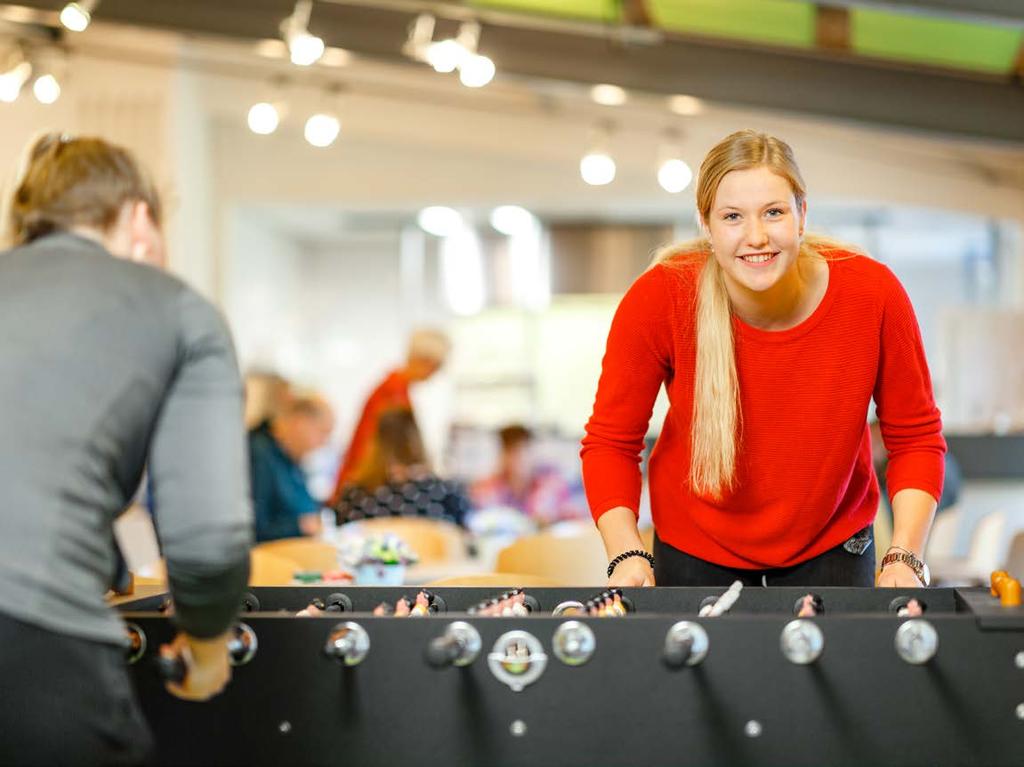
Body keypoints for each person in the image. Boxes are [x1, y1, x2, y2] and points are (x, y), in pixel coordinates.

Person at [582, 129, 945, 589]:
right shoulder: (661, 298)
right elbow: (611, 442)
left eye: (773, 212)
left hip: (834, 546)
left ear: (801, 215)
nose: (756, 237)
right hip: (695, 552)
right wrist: (625, 552)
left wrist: (905, 557)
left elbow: (916, 438)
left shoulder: (873, 295)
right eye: (732, 216)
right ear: (707, 225)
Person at [0, 133, 252, 765]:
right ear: (140, 219)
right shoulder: (175, 309)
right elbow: (208, 535)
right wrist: (207, 647)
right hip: (29, 636)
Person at [329, 327, 450, 504]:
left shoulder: (397, 389)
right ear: (424, 361)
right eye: (436, 367)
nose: (435, 374)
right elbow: (375, 452)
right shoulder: (393, 396)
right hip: (372, 490)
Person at [334, 408, 470, 527]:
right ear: (417, 439)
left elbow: (342, 535)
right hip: (426, 556)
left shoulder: (353, 496)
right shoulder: (445, 492)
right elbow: (463, 534)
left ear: (373, 444)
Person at [250, 394, 335, 542]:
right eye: (323, 433)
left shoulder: (291, 458)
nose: (323, 443)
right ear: (300, 423)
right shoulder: (260, 455)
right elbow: (257, 528)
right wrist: (301, 526)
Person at [470, 424, 586, 525]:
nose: (518, 459)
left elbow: (571, 517)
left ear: (532, 451)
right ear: (502, 454)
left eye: (523, 451)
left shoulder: (550, 484)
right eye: (512, 452)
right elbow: (482, 519)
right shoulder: (488, 487)